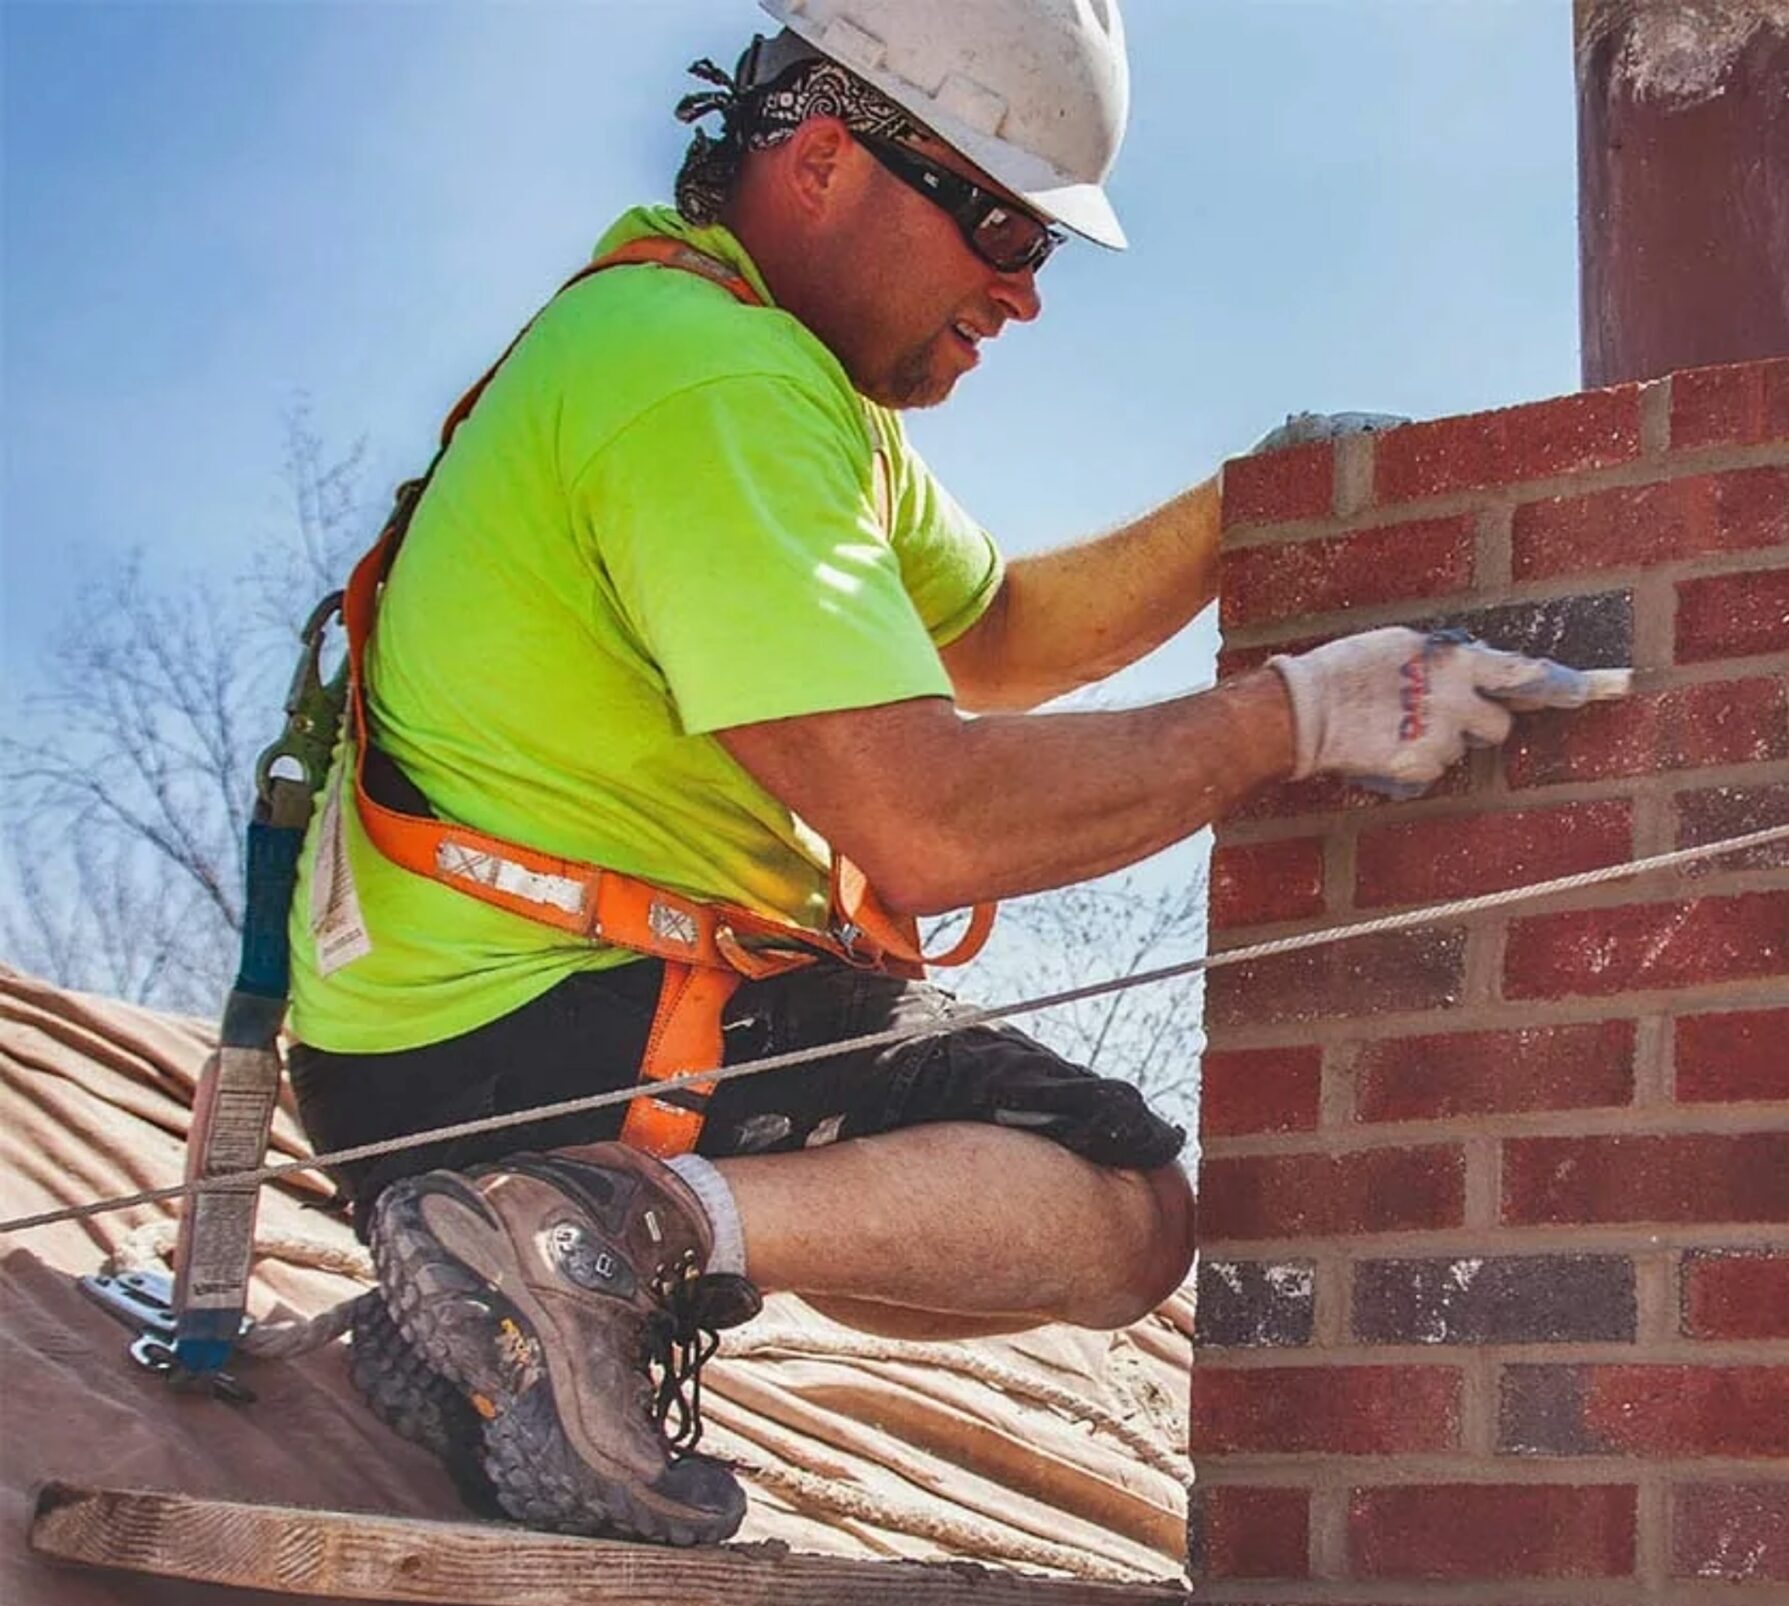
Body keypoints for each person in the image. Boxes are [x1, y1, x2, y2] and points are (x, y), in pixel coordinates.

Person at [284, 0, 1613, 1545]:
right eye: (996, 222)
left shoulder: (744, 354)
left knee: (1008, 1158)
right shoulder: (712, 384)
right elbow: (926, 823)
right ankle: (591, 1230)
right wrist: (1292, 721)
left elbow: (998, 632)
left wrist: (1247, 502)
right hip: (529, 1022)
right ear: (828, 157)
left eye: (1042, 245)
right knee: (1113, 1200)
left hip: (442, 1028)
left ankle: (492, 1322)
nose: (1020, 292)